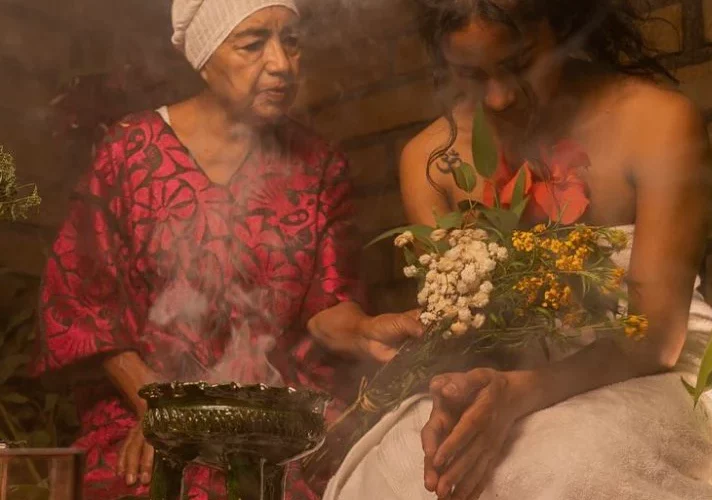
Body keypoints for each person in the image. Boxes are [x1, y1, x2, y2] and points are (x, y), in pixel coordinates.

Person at [322, 1, 712, 499]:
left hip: (654, 369)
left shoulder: (656, 122)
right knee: (398, 474)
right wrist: (456, 393)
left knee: (562, 466)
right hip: (503, 373)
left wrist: (520, 395)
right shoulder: (432, 161)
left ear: (565, 25)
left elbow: (656, 340)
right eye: (470, 75)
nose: (501, 98)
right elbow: (467, 333)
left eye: (520, 63)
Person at [33, 1, 421, 499]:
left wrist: (367, 331)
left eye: (292, 41)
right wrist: (162, 408)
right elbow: (81, 305)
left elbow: (327, 308)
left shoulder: (319, 165)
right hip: (148, 407)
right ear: (205, 54)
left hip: (275, 417)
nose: (281, 63)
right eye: (253, 43)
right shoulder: (131, 149)